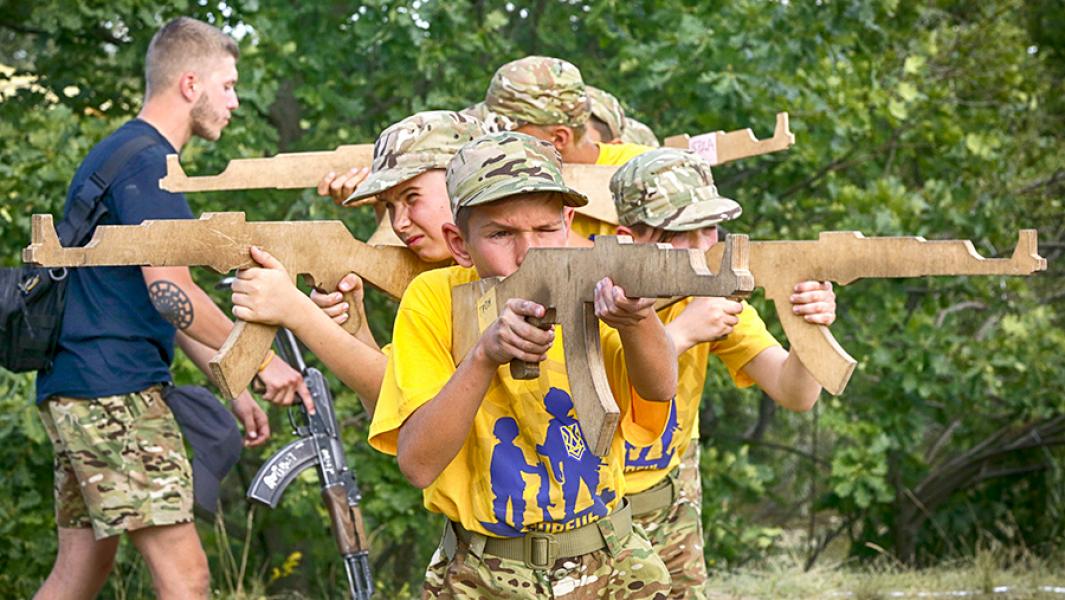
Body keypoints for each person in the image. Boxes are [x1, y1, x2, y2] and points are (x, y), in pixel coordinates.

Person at [33, 17, 307, 600]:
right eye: (227, 85)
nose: (234, 101)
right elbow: (170, 291)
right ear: (190, 84)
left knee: (79, 573)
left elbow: (155, 301)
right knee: (188, 578)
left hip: (76, 383)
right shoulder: (149, 165)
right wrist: (260, 361)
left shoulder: (123, 155)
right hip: (116, 391)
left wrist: (230, 380)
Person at [367, 131, 676, 598]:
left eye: (546, 230)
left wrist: (637, 320)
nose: (527, 252)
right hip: (486, 572)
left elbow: (660, 387)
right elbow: (418, 463)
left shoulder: (598, 282)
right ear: (459, 242)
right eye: (500, 233)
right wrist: (483, 357)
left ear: (569, 221)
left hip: (612, 557)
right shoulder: (434, 302)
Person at [609, 148, 837, 598]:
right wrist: (682, 332)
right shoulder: (595, 299)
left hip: (668, 506)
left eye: (709, 229)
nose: (702, 249)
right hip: (588, 514)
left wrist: (808, 329)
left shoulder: (713, 298)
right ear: (627, 238)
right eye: (682, 233)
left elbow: (795, 392)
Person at [232, 111, 488, 412]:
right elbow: (395, 411)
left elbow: (418, 406)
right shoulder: (437, 288)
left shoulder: (499, 274)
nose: (400, 223)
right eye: (389, 206)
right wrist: (355, 326)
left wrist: (296, 312)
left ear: (461, 183)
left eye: (412, 198)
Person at [483, 55, 656, 242]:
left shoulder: (649, 171)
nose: (498, 144)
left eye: (510, 136)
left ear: (559, 138)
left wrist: (552, 236)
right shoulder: (494, 174)